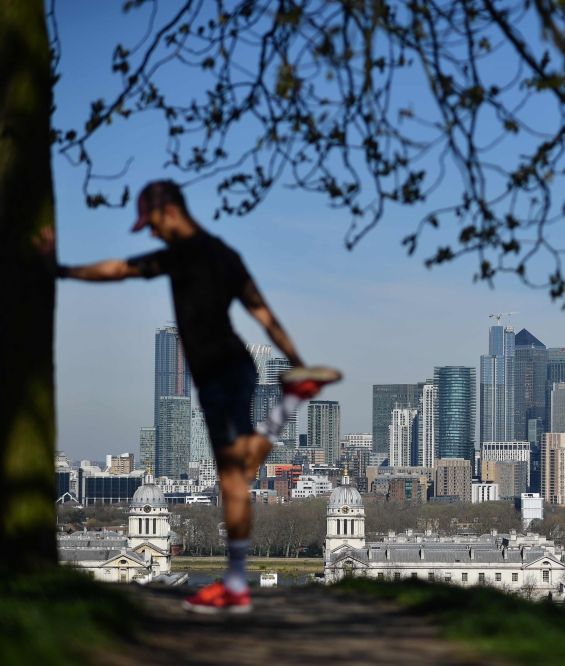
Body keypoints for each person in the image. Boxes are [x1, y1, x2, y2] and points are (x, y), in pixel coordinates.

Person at [38, 180, 340, 613]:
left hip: (219, 375)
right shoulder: (226, 255)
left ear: (171, 212)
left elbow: (119, 269)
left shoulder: (181, 254)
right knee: (240, 470)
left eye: (153, 223)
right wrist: (296, 360)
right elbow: (263, 312)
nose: (151, 233)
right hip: (235, 370)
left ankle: (235, 585)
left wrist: (61, 270)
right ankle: (291, 398)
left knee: (234, 478)